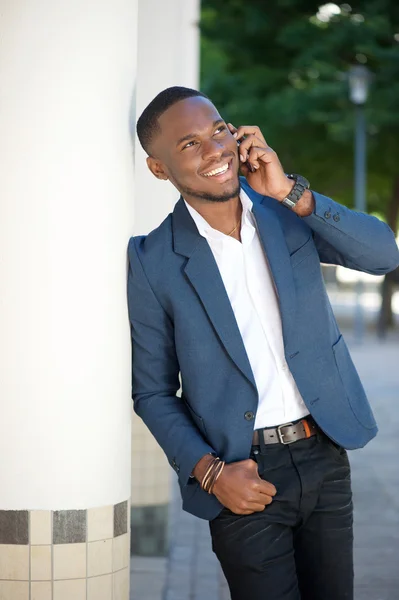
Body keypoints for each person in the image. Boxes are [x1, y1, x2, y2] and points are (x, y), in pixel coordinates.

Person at [127, 86, 399, 600]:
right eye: (189, 144)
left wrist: (294, 193)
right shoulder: (152, 259)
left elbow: (384, 253)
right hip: (240, 473)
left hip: (324, 453)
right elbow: (153, 392)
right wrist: (210, 473)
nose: (214, 150)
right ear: (159, 169)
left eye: (219, 131)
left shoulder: (283, 212)